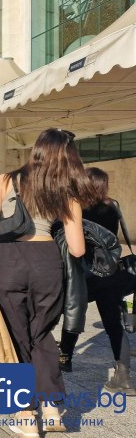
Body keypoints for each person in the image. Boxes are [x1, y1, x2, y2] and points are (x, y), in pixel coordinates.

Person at [0, 129, 93, 436]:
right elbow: (77, 249)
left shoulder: (5, 180)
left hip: (9, 261)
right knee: (42, 333)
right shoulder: (67, 190)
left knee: (14, 334)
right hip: (47, 262)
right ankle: (50, 409)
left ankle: (24, 414)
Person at [58, 167, 136, 394]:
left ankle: (65, 359)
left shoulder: (74, 207)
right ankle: (122, 378)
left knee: (73, 313)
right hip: (109, 272)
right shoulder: (113, 206)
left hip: (83, 273)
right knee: (113, 325)